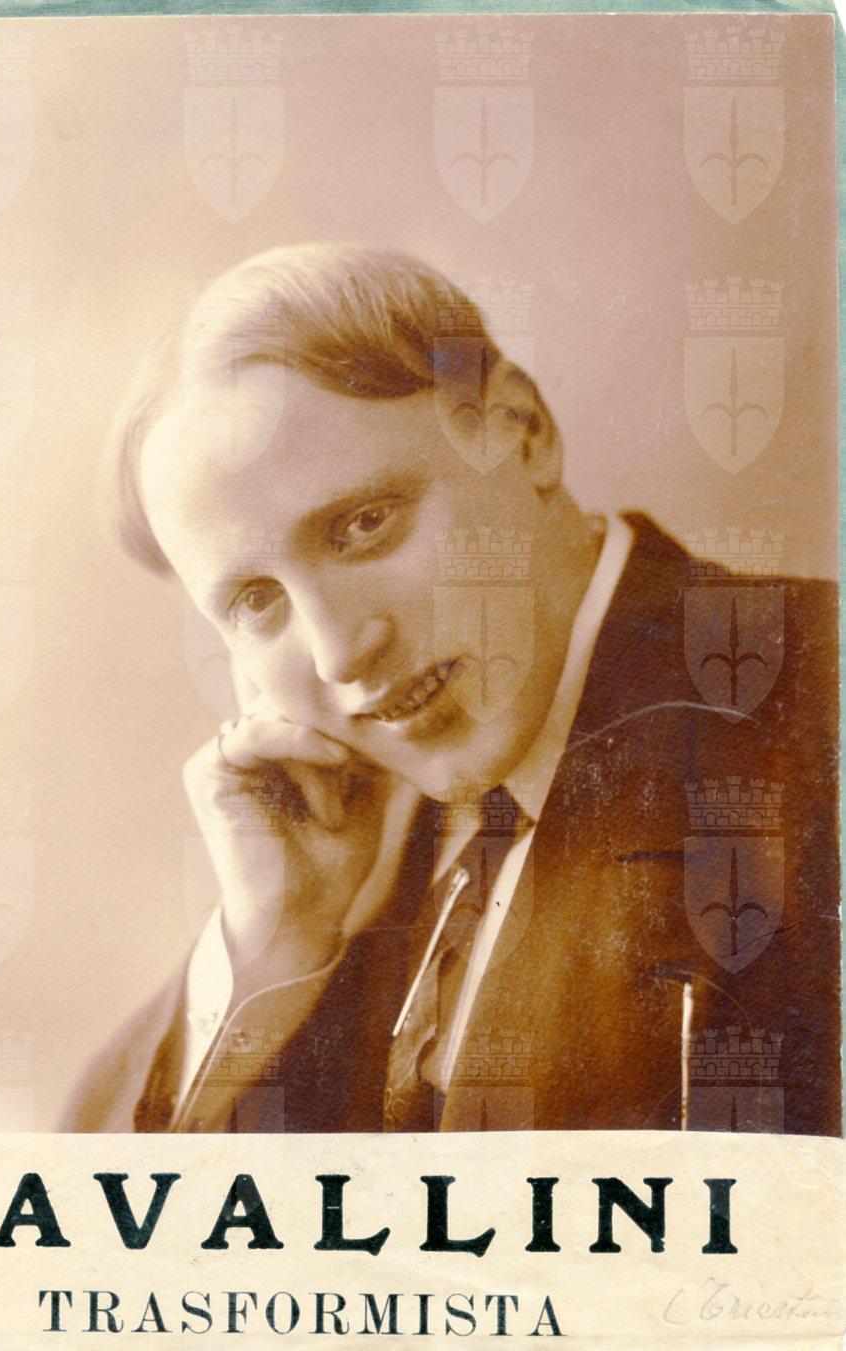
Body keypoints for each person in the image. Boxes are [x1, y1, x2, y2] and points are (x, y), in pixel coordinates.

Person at [65, 243, 840, 1135]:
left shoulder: (816, 703)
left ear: (521, 430)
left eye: (363, 525)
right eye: (256, 600)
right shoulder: (342, 854)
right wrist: (271, 945)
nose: (340, 652)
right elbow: (83, 1187)